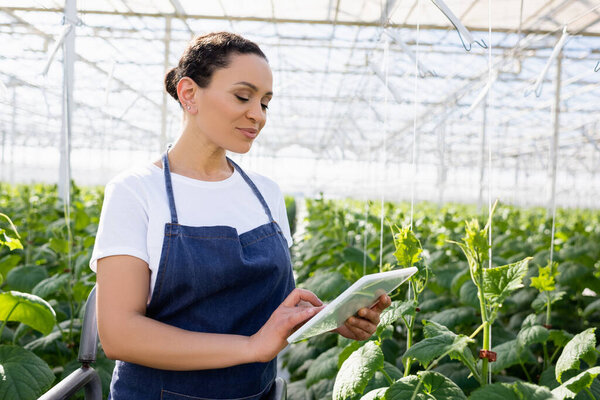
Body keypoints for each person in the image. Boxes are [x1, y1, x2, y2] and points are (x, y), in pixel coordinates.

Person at [91, 31, 391, 400]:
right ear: (189, 94)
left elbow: (267, 309)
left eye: (265, 103)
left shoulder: (265, 192)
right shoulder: (136, 190)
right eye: (243, 97)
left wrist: (328, 318)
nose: (258, 115)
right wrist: (252, 347)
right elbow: (120, 335)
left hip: (257, 392)